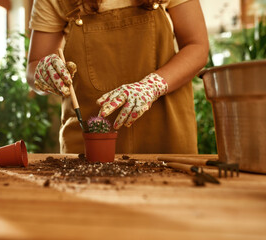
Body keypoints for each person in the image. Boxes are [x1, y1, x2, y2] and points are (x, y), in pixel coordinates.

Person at [26, 0, 209, 154]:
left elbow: (197, 46)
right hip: (89, 139)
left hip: (167, 131)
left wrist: (152, 85)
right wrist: (43, 72)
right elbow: (33, 67)